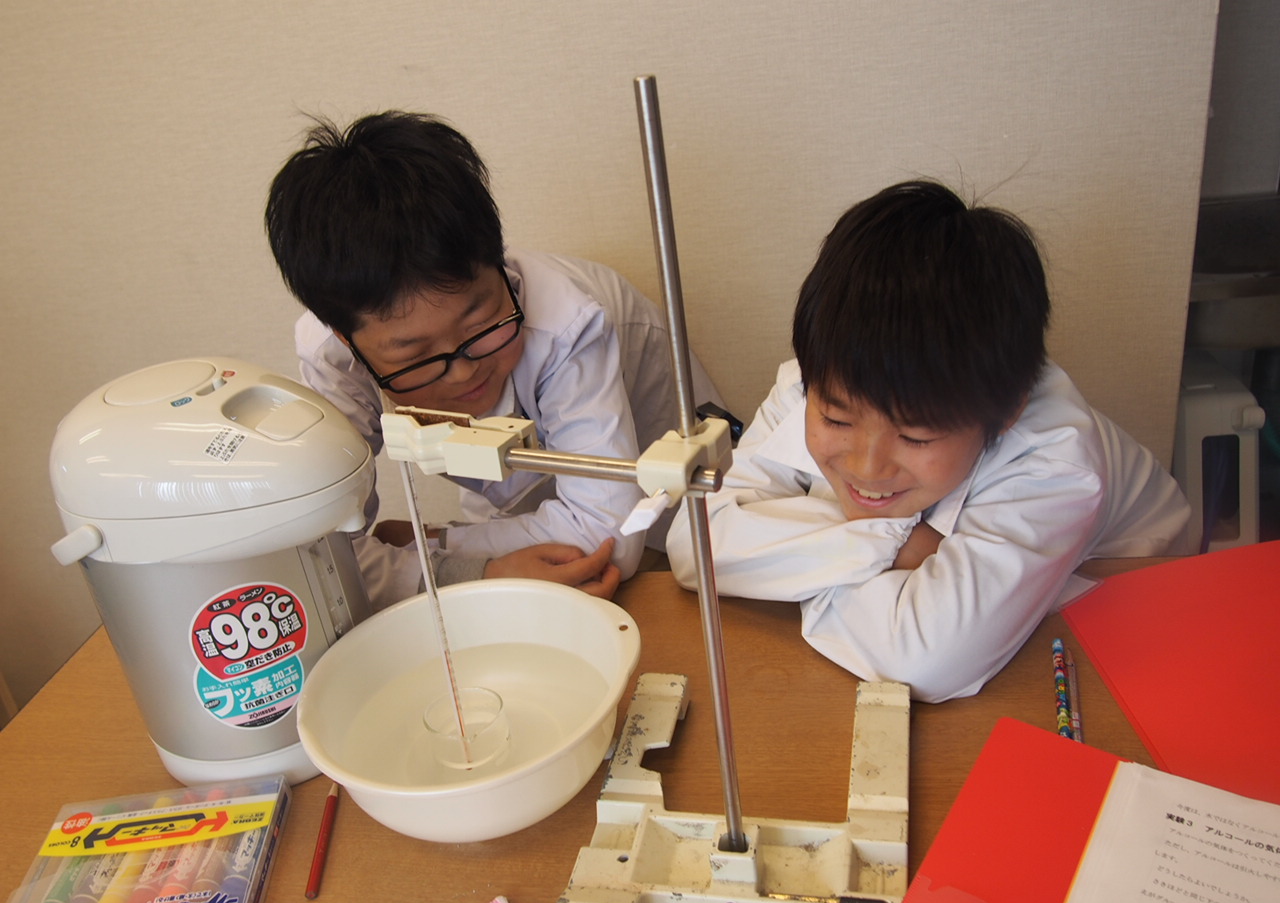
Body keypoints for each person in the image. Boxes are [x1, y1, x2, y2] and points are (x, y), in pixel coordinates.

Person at [666, 180, 1190, 703]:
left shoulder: (1056, 461)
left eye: (915, 435)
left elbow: (921, 661)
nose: (867, 466)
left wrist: (780, 563)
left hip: (1140, 605)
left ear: (1006, 413)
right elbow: (691, 545)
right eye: (838, 419)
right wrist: (899, 544)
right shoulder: (817, 380)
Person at [266, 111, 723, 610]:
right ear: (347, 340)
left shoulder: (568, 324)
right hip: (518, 515)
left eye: (480, 322)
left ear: (500, 262)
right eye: (415, 355)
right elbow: (315, 554)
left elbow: (606, 533)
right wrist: (468, 570)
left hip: (662, 514)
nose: (464, 371)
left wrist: (435, 545)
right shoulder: (334, 358)